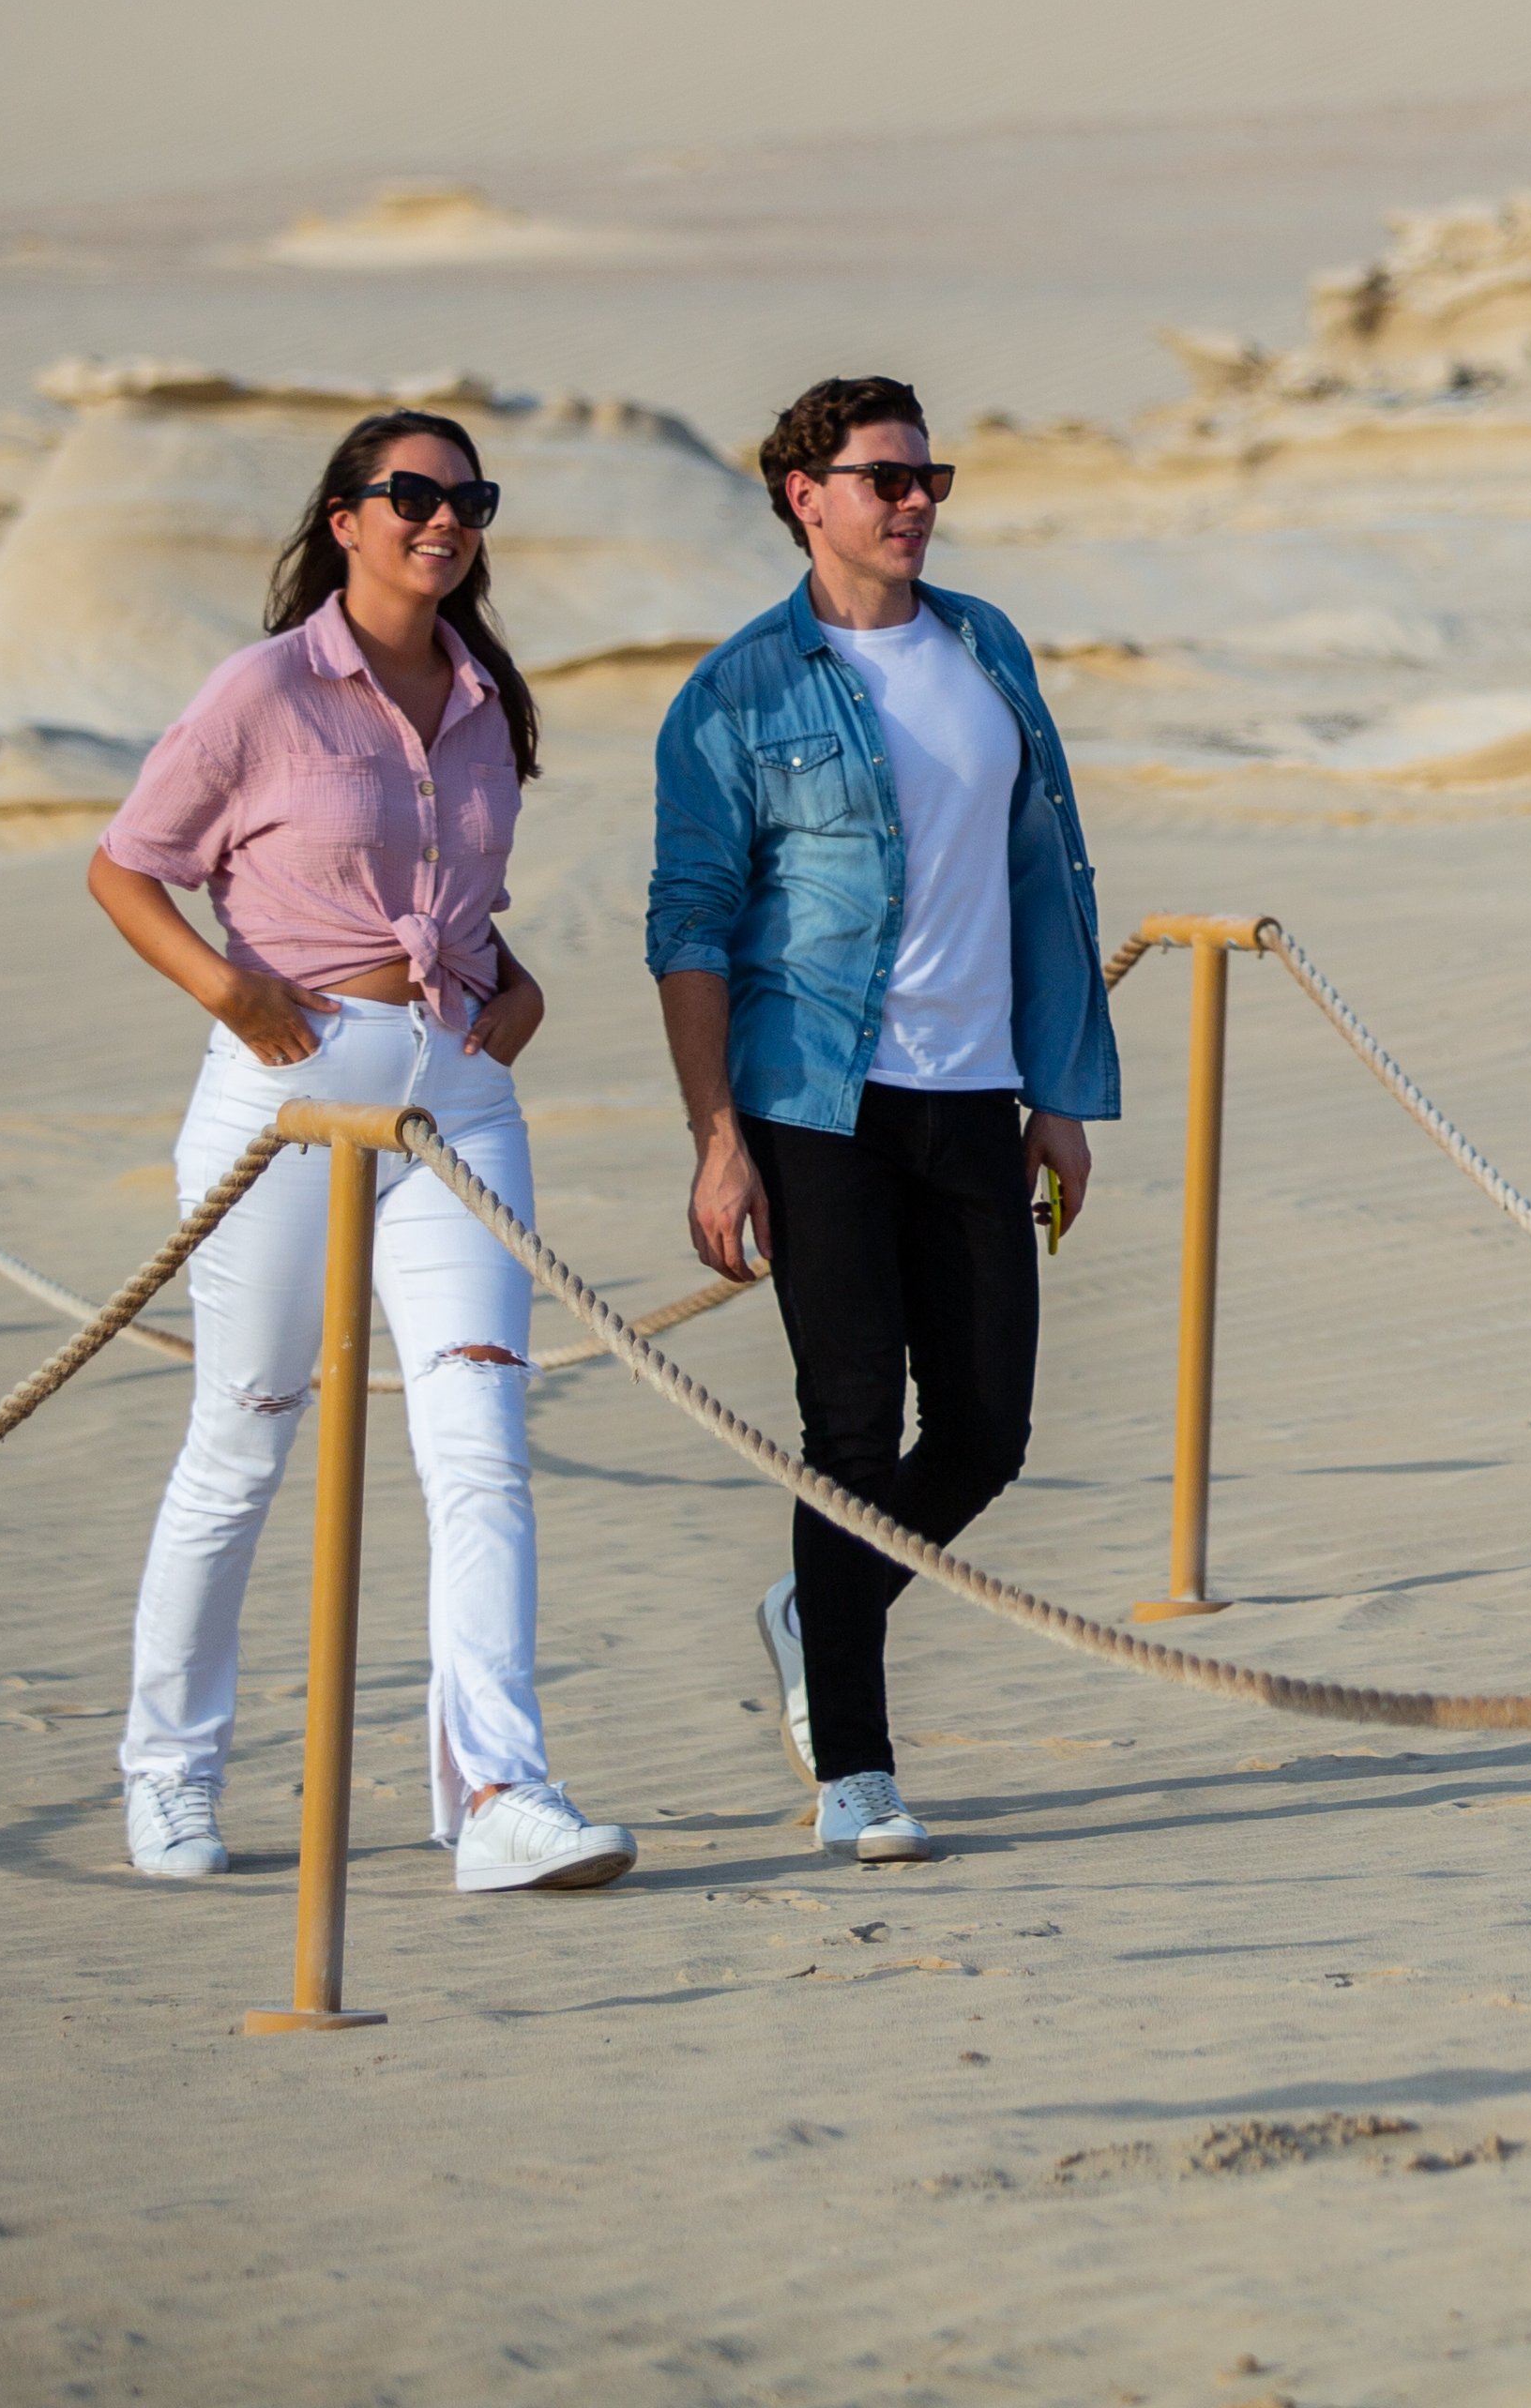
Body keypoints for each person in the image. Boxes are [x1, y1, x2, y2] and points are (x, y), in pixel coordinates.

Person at [83, 407, 637, 1897]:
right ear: (345, 518)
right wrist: (235, 990)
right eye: (412, 495)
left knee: (480, 1451)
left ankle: (501, 1792)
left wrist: (507, 993)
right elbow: (128, 866)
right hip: (285, 1098)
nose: (444, 520)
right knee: (243, 1440)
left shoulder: (484, 697)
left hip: (455, 1105)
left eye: (468, 499)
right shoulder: (263, 688)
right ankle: (171, 1776)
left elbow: (456, 895)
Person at [646, 374, 1118, 1865]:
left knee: (985, 1430)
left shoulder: (987, 646)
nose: (915, 501)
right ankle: (853, 1766)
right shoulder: (737, 694)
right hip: (816, 1100)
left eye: (930, 478)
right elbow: (691, 928)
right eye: (885, 478)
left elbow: (1049, 875)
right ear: (806, 495)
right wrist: (717, 1135)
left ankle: (815, 1607)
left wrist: (1059, 1091)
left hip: (978, 1091)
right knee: (849, 1430)